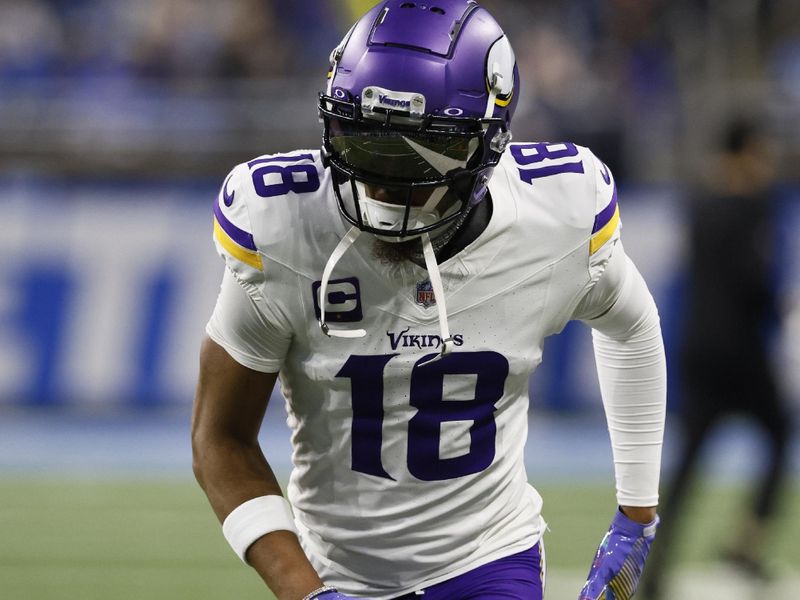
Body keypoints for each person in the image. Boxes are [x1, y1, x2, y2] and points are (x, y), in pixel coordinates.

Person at [191, 2, 667, 599]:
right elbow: (220, 437)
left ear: (486, 148)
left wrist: (636, 519)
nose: (382, 183)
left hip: (490, 557)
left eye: (417, 153)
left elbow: (632, 324)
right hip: (337, 570)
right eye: (364, 143)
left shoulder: (554, 218)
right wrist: (305, 591)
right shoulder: (285, 227)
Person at [640, 118, 792, 599]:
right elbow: (755, 281)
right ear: (746, 152)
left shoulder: (697, 203)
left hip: (698, 348)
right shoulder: (754, 207)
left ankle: (654, 566)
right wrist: (780, 304)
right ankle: (746, 544)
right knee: (779, 433)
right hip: (742, 354)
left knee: (686, 465)